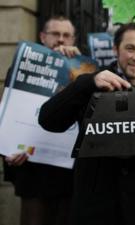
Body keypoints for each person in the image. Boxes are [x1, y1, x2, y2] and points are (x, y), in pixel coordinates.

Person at [38, 22, 135, 225]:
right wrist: (88, 83)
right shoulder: (93, 83)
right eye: (130, 48)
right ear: (115, 49)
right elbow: (48, 120)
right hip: (97, 210)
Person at [2, 15, 80, 225]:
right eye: (55, 34)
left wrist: (79, 65)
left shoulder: (82, 71)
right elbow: (12, 116)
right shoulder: (22, 67)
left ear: (73, 40)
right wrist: (9, 151)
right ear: (43, 37)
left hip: (68, 177)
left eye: (67, 35)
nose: (61, 40)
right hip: (34, 173)